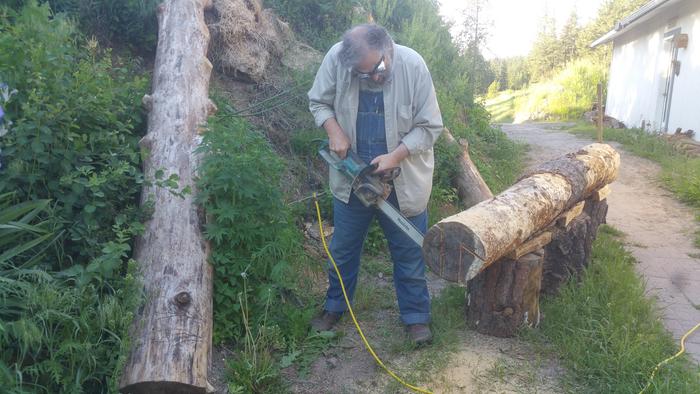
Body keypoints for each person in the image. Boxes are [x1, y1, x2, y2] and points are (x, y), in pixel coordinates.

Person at [307, 24, 443, 344]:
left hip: (401, 178)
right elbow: (318, 101)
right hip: (352, 177)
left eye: (377, 70)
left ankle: (416, 318)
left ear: (387, 49)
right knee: (342, 250)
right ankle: (335, 306)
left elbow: (430, 126)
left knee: (409, 252)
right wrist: (333, 130)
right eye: (362, 75)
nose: (372, 78)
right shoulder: (337, 61)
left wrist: (396, 156)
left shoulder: (413, 66)